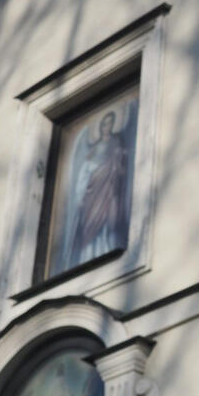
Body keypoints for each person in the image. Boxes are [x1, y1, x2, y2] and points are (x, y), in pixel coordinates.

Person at [57, 111, 129, 274]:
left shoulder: (117, 143)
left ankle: (106, 251)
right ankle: (89, 257)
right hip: (92, 195)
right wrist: (81, 194)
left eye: (109, 124)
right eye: (104, 124)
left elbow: (121, 166)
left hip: (108, 192)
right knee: (89, 228)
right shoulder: (94, 148)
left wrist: (114, 167)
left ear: (112, 125)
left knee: (106, 227)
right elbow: (85, 171)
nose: (106, 127)